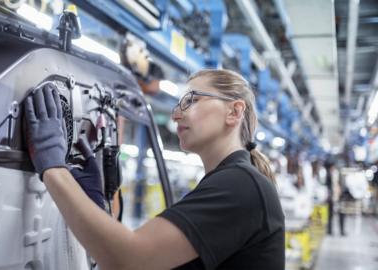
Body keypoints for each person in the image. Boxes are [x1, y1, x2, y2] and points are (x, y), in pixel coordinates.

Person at [24, 69, 285, 270]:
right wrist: (98, 208)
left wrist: (53, 168)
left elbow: (128, 260)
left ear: (234, 112)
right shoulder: (230, 182)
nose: (175, 115)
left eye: (191, 100)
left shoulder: (240, 185)